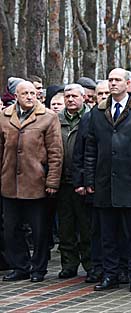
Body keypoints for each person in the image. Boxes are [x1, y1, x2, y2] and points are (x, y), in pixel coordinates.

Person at [84, 67, 131, 292]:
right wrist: (90, 179)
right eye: (110, 80)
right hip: (105, 182)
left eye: (117, 80)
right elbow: (90, 149)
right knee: (107, 234)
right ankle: (110, 274)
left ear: (128, 84)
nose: (113, 83)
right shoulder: (98, 112)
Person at [0, 81, 63, 282]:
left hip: (36, 182)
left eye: (32, 93)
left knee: (39, 230)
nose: (29, 96)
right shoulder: (4, 117)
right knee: (11, 229)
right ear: (16, 96)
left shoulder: (48, 117)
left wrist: (52, 181)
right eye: (24, 93)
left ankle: (38, 268)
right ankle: (20, 266)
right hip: (9, 183)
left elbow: (56, 152)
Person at [56, 84, 91, 279]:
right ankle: (68, 264)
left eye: (74, 96)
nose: (70, 100)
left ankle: (90, 263)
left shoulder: (90, 118)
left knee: (86, 226)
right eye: (67, 96)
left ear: (83, 98)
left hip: (83, 181)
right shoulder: (56, 119)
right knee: (65, 227)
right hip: (62, 181)